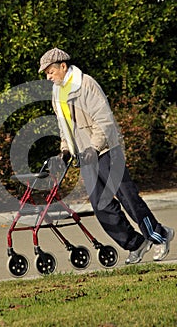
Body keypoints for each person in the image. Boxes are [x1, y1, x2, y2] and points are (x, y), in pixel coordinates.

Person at [38, 47, 175, 264]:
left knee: (128, 198)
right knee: (101, 207)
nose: (48, 77)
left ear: (63, 66)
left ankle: (160, 235)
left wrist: (94, 146)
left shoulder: (86, 85)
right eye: (46, 73)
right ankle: (136, 244)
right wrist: (65, 149)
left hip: (106, 151)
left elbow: (104, 119)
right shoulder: (57, 92)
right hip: (86, 156)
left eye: (50, 72)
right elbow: (63, 125)